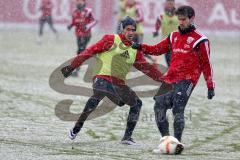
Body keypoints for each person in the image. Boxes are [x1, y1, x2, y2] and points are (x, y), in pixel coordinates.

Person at [61, 16, 163, 145]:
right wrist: (72, 67)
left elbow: (147, 68)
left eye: (133, 30)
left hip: (118, 84)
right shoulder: (110, 39)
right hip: (101, 78)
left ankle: (126, 138)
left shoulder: (135, 49)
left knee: (137, 104)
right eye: (128, 29)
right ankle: (78, 126)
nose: (131, 32)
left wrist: (165, 80)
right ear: (122, 29)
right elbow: (88, 52)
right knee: (101, 93)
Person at [132, 6, 215, 153]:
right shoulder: (173, 36)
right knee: (158, 107)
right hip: (170, 78)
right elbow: (157, 49)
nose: (181, 22)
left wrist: (210, 85)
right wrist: (140, 46)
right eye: (180, 19)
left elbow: (206, 64)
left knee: (178, 109)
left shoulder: (201, 40)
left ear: (192, 18)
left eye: (184, 19)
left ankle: (177, 143)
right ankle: (168, 142)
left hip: (187, 80)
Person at [153, 0, 178, 67]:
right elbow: (156, 27)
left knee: (176, 62)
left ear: (174, 4)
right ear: (165, 4)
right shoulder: (161, 16)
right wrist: (156, 32)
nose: (169, 5)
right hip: (166, 43)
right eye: (168, 3)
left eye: (171, 3)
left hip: (177, 42)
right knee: (169, 63)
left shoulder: (179, 15)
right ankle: (173, 74)